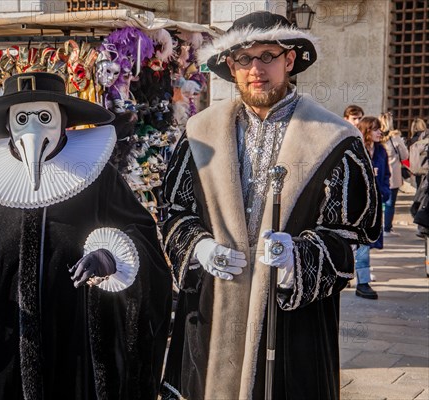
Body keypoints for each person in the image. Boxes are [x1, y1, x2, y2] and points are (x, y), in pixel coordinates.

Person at [159, 12, 381, 400]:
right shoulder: (199, 133)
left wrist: (298, 257)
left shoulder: (334, 138)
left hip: (293, 324)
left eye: (268, 56)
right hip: (213, 313)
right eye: (244, 59)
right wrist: (198, 247)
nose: (256, 69)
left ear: (289, 60)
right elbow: (175, 212)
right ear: (230, 65)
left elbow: (348, 235)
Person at [0, 72, 172, 400]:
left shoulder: (96, 176)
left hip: (76, 336)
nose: (32, 128)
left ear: (63, 121)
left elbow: (140, 233)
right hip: (4, 337)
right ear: (8, 124)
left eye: (44, 117)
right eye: (22, 118)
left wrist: (112, 254)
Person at [353, 117, 390, 300]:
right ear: (367, 131)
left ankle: (357, 277)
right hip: (359, 205)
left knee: (366, 243)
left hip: (376, 204)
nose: (379, 132)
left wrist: (384, 190)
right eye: (375, 129)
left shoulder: (381, 151)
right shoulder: (356, 150)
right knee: (362, 245)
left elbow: (386, 174)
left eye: (380, 129)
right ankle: (362, 283)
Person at [383, 128, 409, 236]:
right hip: (392, 174)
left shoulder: (373, 136)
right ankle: (387, 229)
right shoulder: (395, 137)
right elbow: (405, 155)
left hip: (377, 173)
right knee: (390, 203)